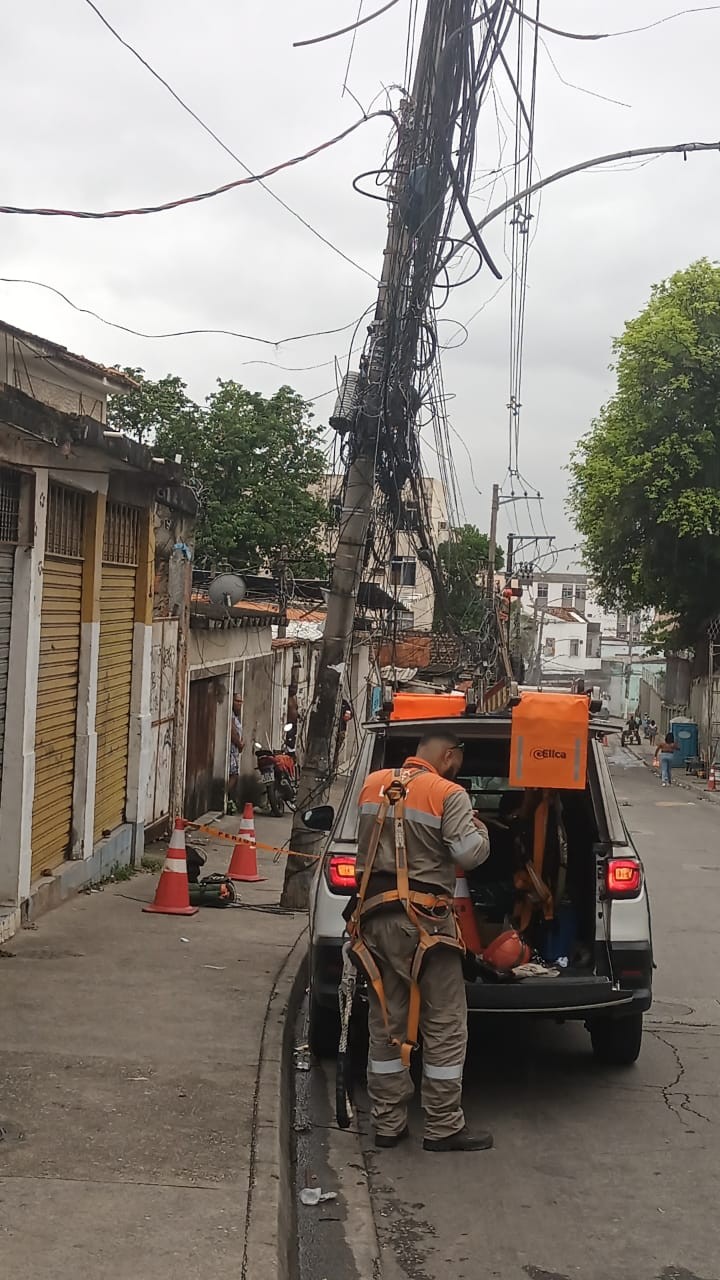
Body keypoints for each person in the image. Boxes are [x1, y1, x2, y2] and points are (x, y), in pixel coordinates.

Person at [352, 732, 493, 1153]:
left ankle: (388, 1123)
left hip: (375, 920)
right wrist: (481, 830)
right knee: (445, 1023)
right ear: (448, 756)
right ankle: (443, 1126)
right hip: (427, 926)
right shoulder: (449, 793)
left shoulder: (372, 784)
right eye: (459, 760)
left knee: (387, 1022)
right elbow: (469, 854)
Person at [227, 693, 244, 811]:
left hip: (235, 750)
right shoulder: (231, 716)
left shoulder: (236, 717)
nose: (239, 704)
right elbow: (232, 732)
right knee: (234, 775)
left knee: (234, 774)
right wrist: (239, 743)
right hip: (232, 749)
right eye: (237, 701)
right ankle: (225, 797)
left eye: (240, 702)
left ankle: (230, 800)